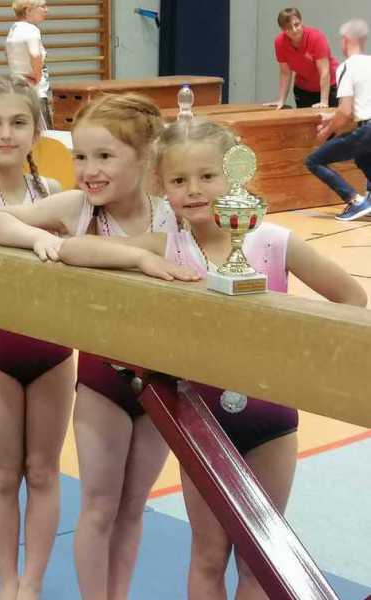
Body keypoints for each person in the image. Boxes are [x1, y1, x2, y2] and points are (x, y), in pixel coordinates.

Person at [56, 117, 367, 600]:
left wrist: (293, 347)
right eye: (179, 180)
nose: (194, 190)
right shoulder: (169, 245)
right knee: (206, 554)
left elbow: (351, 299)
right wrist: (140, 258)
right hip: (199, 421)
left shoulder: (272, 241)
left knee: (258, 559)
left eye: (208, 176)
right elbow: (74, 250)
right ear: (162, 185)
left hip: (271, 421)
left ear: (236, 176)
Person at [0, 92, 186, 600]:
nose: (89, 170)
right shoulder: (77, 208)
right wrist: (35, 239)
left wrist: (130, 252)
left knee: (134, 505)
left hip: (165, 377)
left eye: (104, 156)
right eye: (80, 156)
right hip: (102, 381)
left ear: (145, 159)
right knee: (98, 505)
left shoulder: (172, 215)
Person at [0, 76, 70, 600]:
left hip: (52, 351)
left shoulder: (52, 195)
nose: (5, 133)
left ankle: (33, 582)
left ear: (38, 131)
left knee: (45, 472)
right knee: (4, 472)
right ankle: (7, 581)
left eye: (18, 122)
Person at [305, 19, 371, 222]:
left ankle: (354, 201)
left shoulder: (346, 67)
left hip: (367, 129)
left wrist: (326, 132)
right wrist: (332, 116)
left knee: (314, 161)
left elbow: (345, 112)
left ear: (346, 40)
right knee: (363, 157)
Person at [267, 7, 338, 109]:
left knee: (328, 121)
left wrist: (324, 101)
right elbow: (285, 73)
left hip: (330, 86)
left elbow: (324, 72)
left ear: (301, 22)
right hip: (304, 88)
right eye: (289, 28)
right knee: (305, 122)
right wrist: (281, 100)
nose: (294, 30)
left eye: (297, 25)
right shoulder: (280, 42)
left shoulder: (316, 37)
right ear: (282, 29)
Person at [5, 0, 52, 128]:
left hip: (18, 90)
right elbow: (35, 54)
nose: (46, 10)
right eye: (42, 6)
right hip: (35, 94)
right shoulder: (31, 30)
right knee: (45, 137)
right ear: (28, 10)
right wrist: (37, 76)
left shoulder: (14, 29)